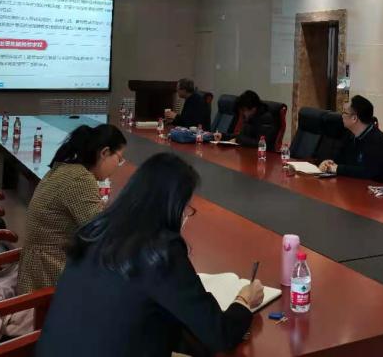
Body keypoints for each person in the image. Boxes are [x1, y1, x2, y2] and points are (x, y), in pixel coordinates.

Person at [37, 152, 263, 357]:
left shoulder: (96, 230)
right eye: (186, 207)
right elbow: (219, 335)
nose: (185, 214)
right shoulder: (160, 250)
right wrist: (244, 300)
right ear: (173, 205)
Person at [17, 124, 127, 294]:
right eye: (119, 159)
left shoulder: (66, 169)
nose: (118, 165)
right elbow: (102, 235)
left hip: (37, 267)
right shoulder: (80, 179)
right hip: (49, 272)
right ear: (105, 152)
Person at [318, 95, 383, 183]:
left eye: (344, 112)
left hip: (376, 188)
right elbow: (340, 160)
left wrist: (337, 168)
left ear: (354, 118)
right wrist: (329, 164)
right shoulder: (350, 135)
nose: (342, 116)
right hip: (352, 185)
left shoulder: (377, 140)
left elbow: (368, 172)